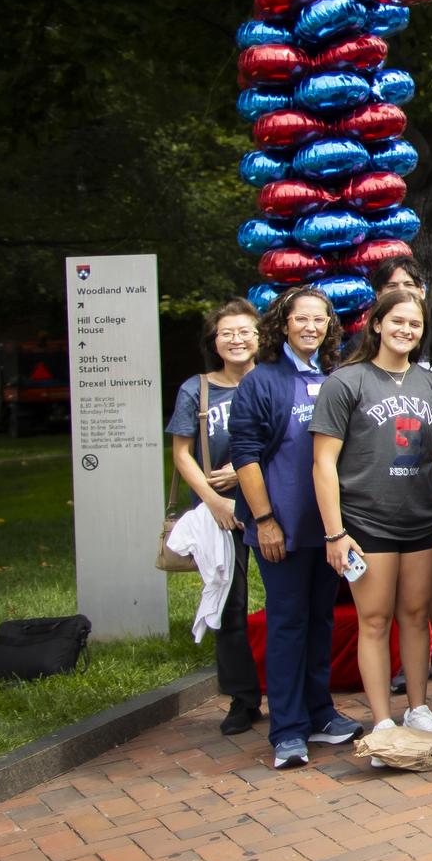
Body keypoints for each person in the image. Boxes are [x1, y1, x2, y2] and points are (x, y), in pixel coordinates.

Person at [310, 289, 432, 759]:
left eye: (415, 325)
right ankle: (382, 720)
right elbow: (323, 464)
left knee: (415, 617)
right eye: (397, 322)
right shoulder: (346, 382)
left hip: (420, 519)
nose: (407, 331)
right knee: (374, 621)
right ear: (376, 324)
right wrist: (335, 532)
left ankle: (417, 707)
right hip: (366, 523)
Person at [229, 287, 362, 770]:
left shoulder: (334, 378)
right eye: (301, 319)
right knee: (287, 624)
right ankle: (286, 729)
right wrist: (264, 520)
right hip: (279, 530)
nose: (311, 327)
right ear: (283, 324)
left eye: (320, 320)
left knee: (321, 619)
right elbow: (244, 455)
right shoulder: (261, 381)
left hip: (326, 530)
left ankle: (320, 711)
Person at [168, 299, 264, 735]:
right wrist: (212, 500)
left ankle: (290, 691)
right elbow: (180, 453)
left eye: (245, 331)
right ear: (214, 341)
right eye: (227, 332)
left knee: (287, 603)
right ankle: (242, 700)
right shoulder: (198, 389)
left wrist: (246, 471)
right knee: (230, 603)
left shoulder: (272, 382)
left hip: (268, 506)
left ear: (260, 337)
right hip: (220, 513)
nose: (236, 339)